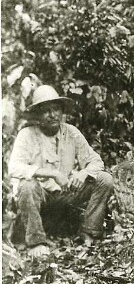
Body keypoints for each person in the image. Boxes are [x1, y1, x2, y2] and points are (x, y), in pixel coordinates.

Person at [8, 85, 114, 257]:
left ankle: (89, 232)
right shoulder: (27, 135)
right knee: (27, 185)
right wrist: (52, 173)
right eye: (46, 111)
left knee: (104, 179)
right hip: (38, 200)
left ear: (62, 111)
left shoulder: (71, 132)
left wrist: (82, 173)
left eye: (56, 109)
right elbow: (14, 167)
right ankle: (36, 242)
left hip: (63, 197)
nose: (52, 115)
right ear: (37, 115)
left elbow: (95, 161)